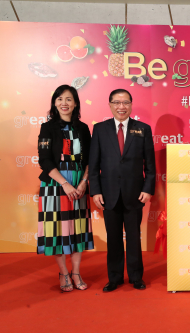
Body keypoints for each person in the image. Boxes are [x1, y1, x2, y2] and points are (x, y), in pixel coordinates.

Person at [89, 89, 155, 292]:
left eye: (125, 102)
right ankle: (115, 277)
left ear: (131, 105)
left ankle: (136, 276)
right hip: (108, 194)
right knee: (113, 238)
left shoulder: (143, 129)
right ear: (109, 105)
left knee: (134, 237)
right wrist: (96, 191)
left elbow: (150, 166)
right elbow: (94, 164)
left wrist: (148, 189)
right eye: (117, 102)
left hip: (135, 194)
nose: (121, 106)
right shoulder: (100, 129)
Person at [37, 84, 93, 292]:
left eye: (68, 99)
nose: (64, 103)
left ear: (76, 103)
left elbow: (90, 160)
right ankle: (63, 273)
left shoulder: (83, 128)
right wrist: (65, 184)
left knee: (77, 230)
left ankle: (76, 272)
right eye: (60, 99)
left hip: (78, 185)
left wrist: (83, 182)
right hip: (55, 185)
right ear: (54, 103)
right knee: (57, 232)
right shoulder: (47, 128)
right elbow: (44, 160)